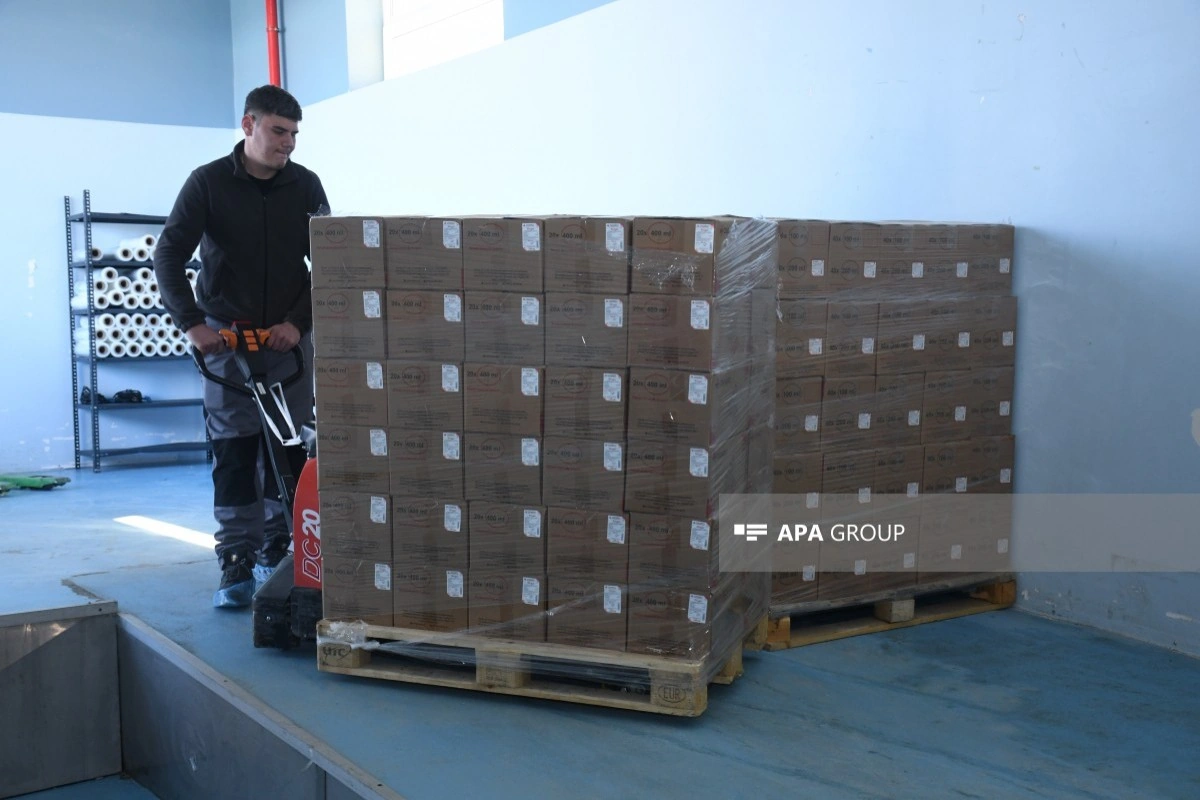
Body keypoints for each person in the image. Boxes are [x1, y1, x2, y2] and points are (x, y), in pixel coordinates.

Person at [154, 85, 329, 609]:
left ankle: (281, 544)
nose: (288, 143)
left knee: (288, 444)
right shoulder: (208, 183)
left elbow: (329, 260)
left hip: (287, 341)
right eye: (278, 131)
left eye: (294, 134)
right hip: (226, 341)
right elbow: (168, 255)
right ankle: (235, 555)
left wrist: (297, 323)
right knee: (234, 450)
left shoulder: (306, 185)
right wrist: (192, 324)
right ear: (249, 124)